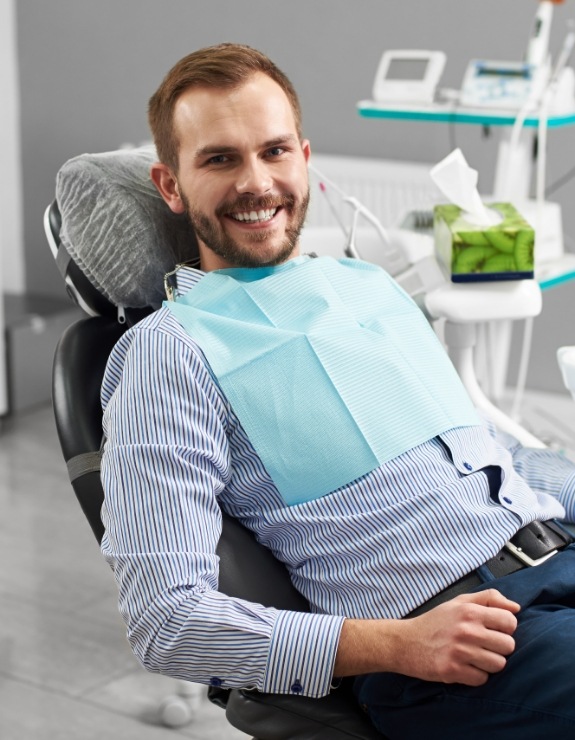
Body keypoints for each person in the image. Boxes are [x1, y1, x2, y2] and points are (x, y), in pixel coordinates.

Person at [100, 43, 575, 738]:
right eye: (219, 159)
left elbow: (483, 448)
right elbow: (167, 622)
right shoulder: (167, 355)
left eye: (274, 151)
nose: (256, 182)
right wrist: (395, 645)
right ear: (170, 186)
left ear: (304, 157)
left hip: (554, 551)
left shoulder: (368, 289)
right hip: (453, 641)